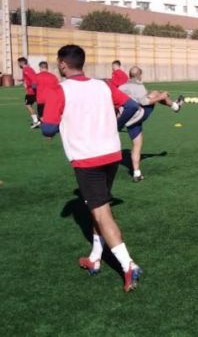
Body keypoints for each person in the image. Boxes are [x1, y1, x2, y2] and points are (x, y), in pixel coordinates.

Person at [41, 44, 143, 292]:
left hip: (88, 159)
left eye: (58, 61)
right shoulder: (103, 85)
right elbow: (131, 106)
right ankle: (95, 258)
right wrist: (113, 123)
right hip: (111, 154)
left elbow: (48, 129)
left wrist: (56, 120)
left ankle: (128, 265)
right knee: (97, 207)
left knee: (100, 213)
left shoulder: (59, 90)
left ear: (63, 64)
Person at [119, 66, 184, 182]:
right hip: (140, 114)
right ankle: (175, 106)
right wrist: (162, 96)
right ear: (139, 75)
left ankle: (136, 173)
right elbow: (145, 101)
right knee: (155, 93)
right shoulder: (139, 86)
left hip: (128, 120)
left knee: (136, 146)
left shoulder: (121, 87)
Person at [18, 57, 40, 128]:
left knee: (28, 105)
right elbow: (29, 78)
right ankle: (38, 120)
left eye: (18, 63)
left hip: (31, 91)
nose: (18, 64)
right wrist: (22, 80)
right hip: (32, 91)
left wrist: (32, 87)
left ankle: (36, 121)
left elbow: (33, 78)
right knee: (34, 104)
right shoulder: (28, 69)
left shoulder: (26, 69)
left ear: (21, 63)